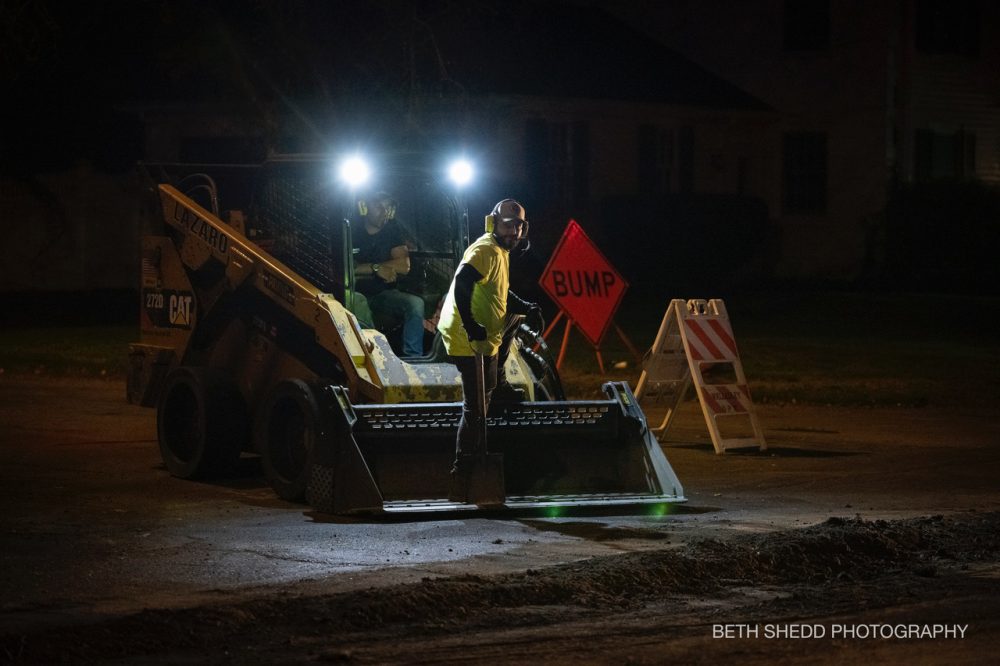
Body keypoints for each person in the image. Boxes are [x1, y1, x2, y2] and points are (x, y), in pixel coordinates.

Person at [438, 199, 541, 473]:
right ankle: (463, 465)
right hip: (466, 337)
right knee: (477, 405)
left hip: (486, 329)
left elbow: (500, 294)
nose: (514, 233)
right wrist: (471, 325)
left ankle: (500, 383)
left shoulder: (500, 250)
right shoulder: (485, 250)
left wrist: (528, 308)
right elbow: (462, 281)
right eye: (508, 226)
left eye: (518, 227)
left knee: (515, 316)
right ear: (493, 223)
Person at [352, 191, 426, 358]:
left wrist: (366, 268)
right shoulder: (350, 229)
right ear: (365, 207)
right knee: (358, 300)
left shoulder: (392, 230)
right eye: (378, 206)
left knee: (416, 304)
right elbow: (347, 268)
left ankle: (413, 359)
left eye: (387, 207)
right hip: (352, 293)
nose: (384, 212)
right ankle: (376, 356)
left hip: (383, 294)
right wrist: (377, 268)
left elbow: (404, 265)